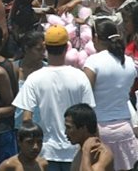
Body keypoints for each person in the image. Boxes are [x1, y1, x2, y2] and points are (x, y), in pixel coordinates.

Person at [14, 25, 96, 171]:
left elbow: (26, 119)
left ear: (46, 48)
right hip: (75, 153)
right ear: (66, 48)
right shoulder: (80, 77)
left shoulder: (33, 79)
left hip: (45, 153)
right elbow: (90, 118)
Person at [80, 19, 138, 169]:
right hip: (126, 129)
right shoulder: (129, 62)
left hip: (100, 131)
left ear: (96, 38)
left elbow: (85, 96)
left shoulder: (93, 61)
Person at [65, 104, 113, 171]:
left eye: (69, 127)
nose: (65, 132)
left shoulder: (103, 153)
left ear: (83, 128)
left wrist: (86, 150)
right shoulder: (81, 150)